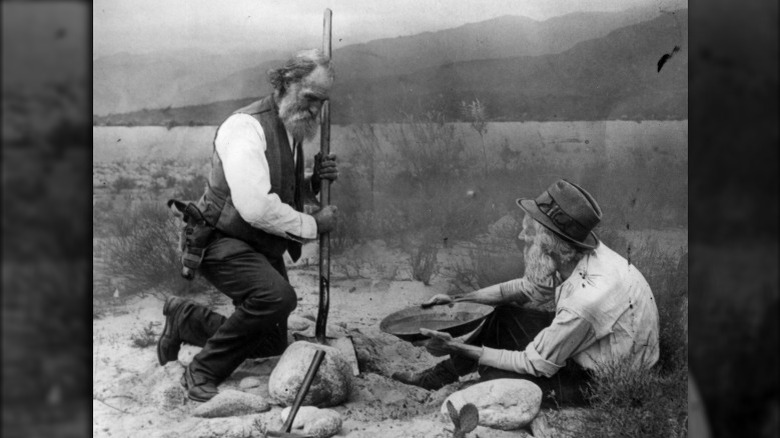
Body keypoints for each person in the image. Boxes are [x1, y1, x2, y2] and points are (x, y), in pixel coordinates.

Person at [156, 49, 339, 402]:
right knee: (276, 297)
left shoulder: (291, 127)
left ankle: (185, 319)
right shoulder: (246, 127)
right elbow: (254, 206)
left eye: (322, 102)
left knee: (269, 343)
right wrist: (314, 223)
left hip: (253, 244)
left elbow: (279, 189)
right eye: (311, 98)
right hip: (218, 239)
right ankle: (203, 370)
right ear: (287, 84)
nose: (316, 110)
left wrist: (312, 183)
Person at [393, 179, 660, 407]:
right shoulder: (573, 255)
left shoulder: (587, 299)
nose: (522, 237)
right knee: (504, 315)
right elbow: (526, 287)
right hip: (593, 348)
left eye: (529, 232)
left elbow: (532, 364)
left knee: (493, 373)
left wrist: (455, 346)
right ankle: (439, 376)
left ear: (549, 245)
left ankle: (458, 369)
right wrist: (458, 299)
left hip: (601, 383)